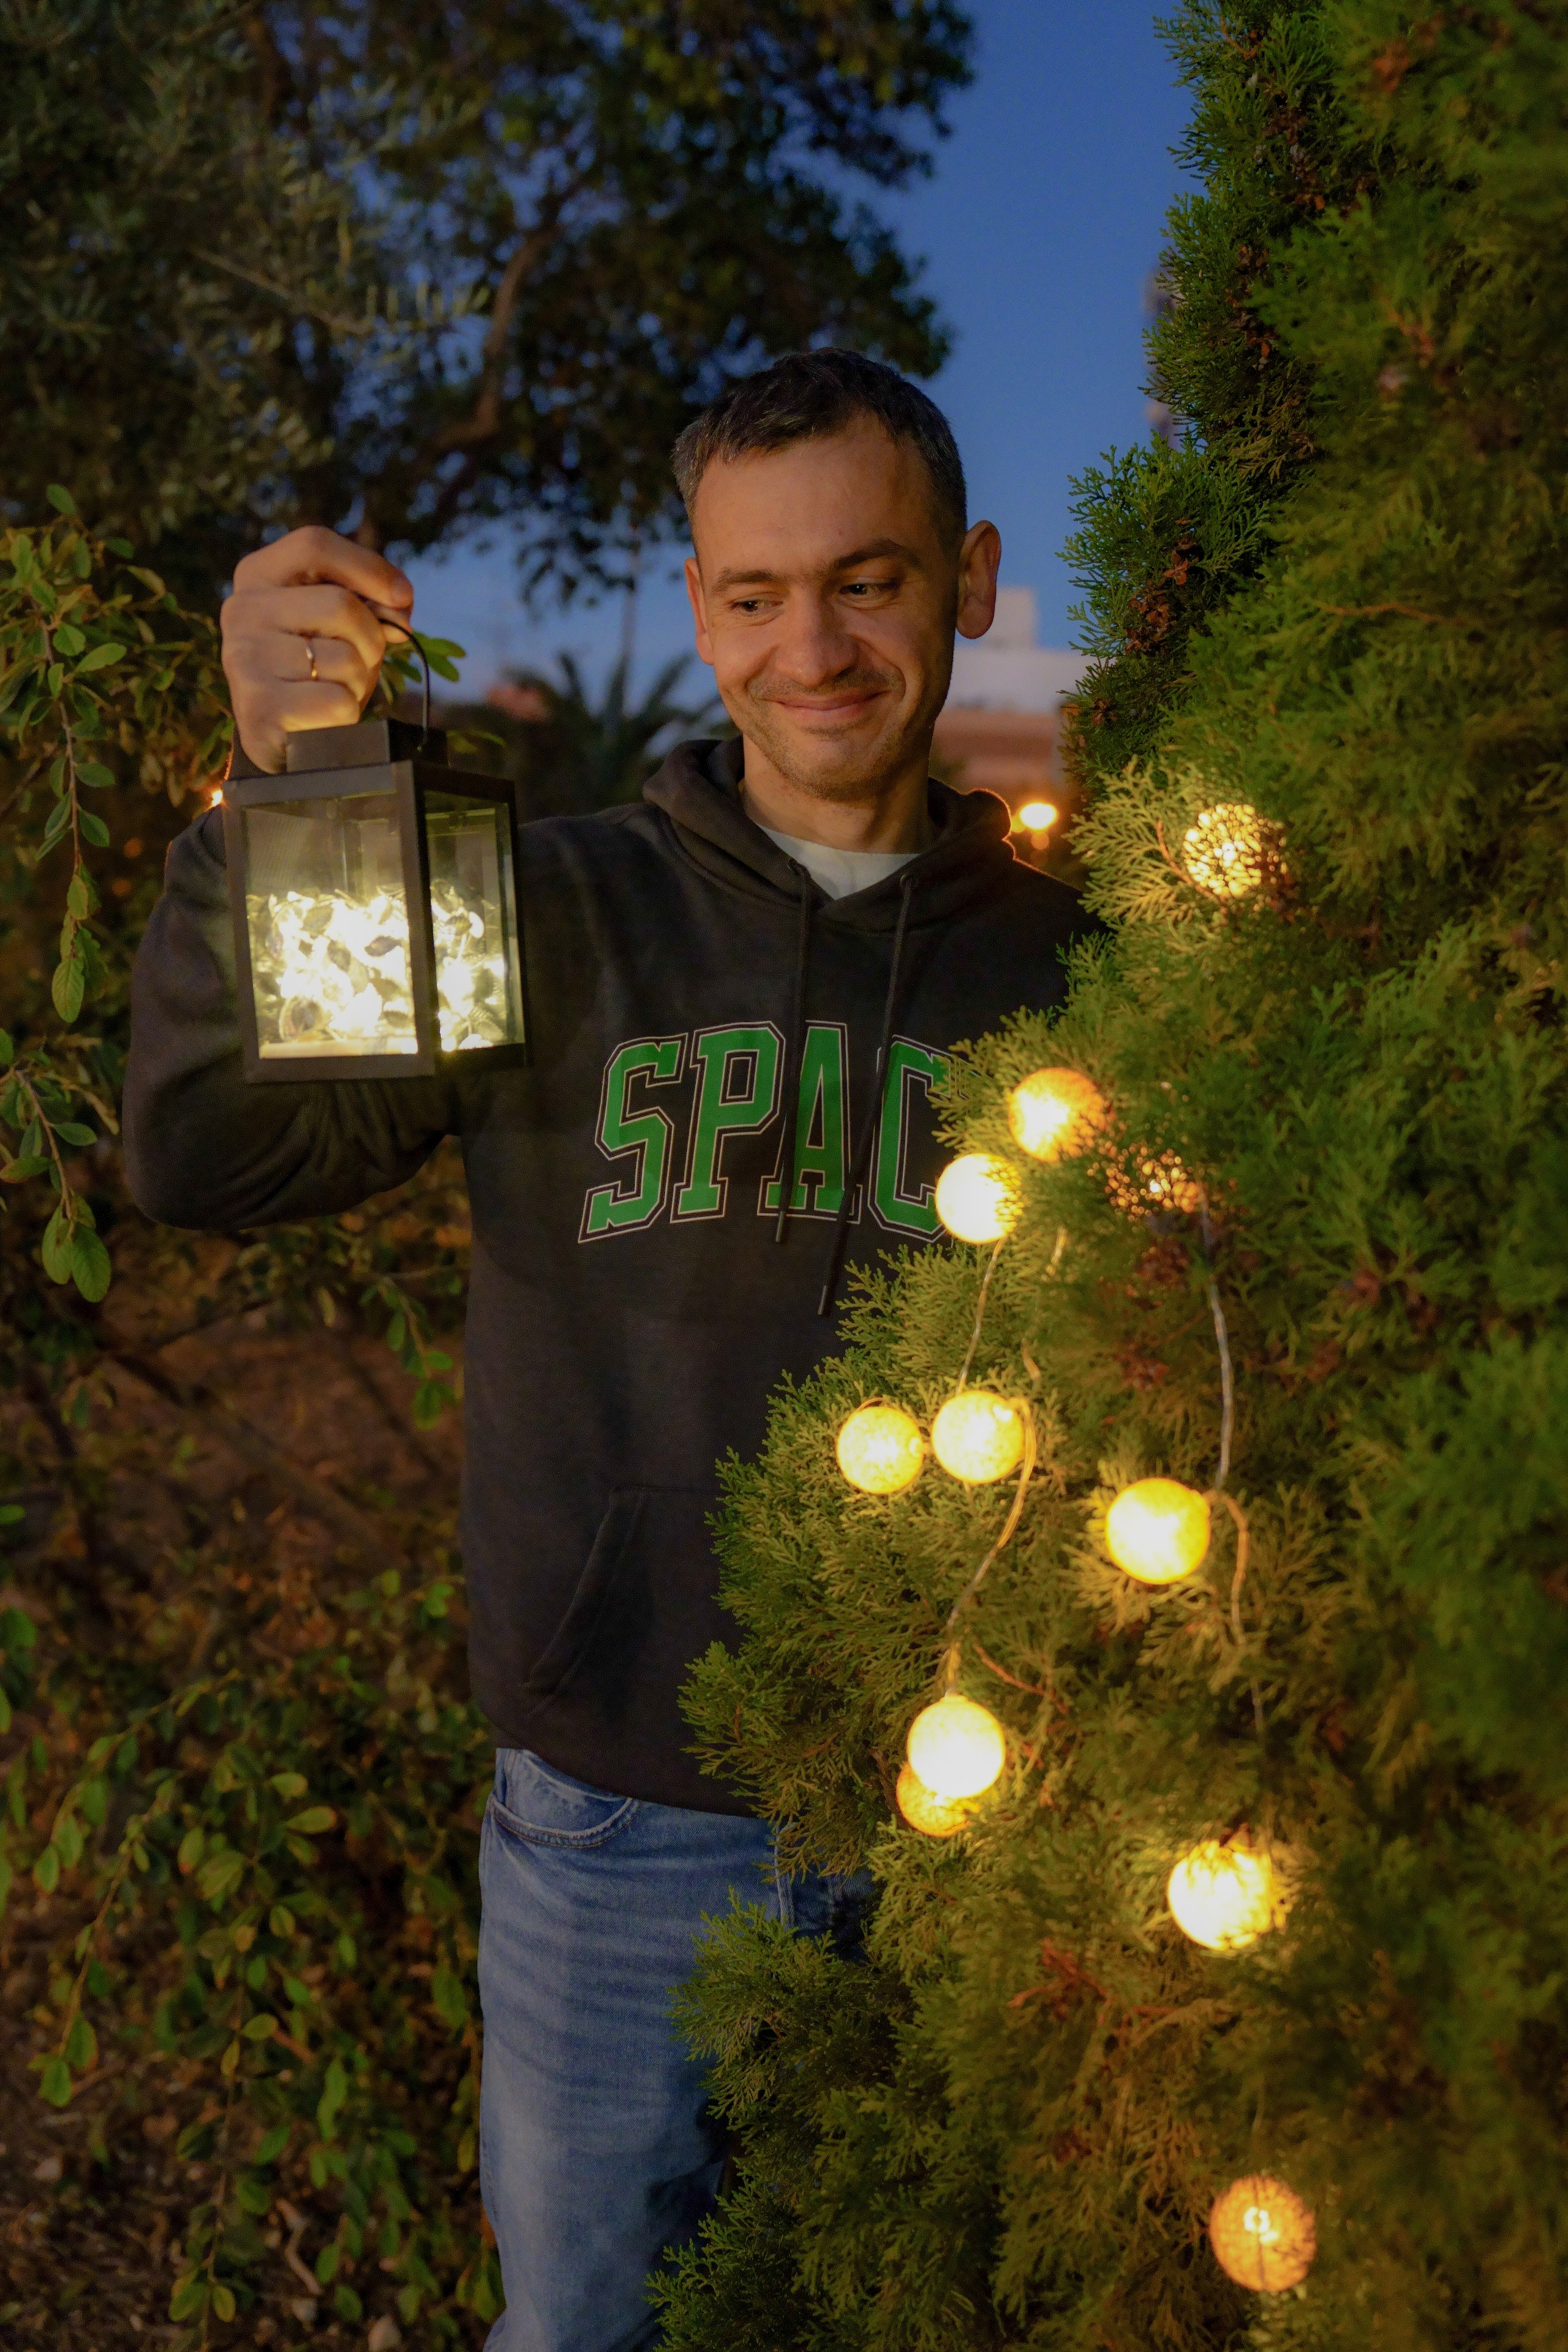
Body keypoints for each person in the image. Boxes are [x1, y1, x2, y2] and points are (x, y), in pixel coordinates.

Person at [125, 350, 1092, 2352]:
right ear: (694, 605)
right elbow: (223, 1157)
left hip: (981, 1827)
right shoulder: (535, 908)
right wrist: (293, 782)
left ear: (972, 579)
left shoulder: (1082, 965)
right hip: (622, 1822)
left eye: (871, 580)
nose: (809, 646)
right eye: (752, 595)